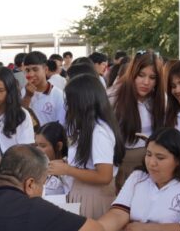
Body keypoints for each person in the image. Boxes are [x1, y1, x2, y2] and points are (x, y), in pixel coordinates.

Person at [49, 75, 124, 219]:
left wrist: (67, 170)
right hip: (83, 191)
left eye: (70, 101)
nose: (68, 107)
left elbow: (104, 176)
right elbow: (87, 164)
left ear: (83, 102)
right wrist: (66, 163)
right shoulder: (88, 127)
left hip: (93, 196)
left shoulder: (99, 132)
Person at [109, 51, 166, 189]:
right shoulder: (114, 98)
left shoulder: (162, 100)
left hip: (152, 167)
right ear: (132, 73)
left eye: (152, 77)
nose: (146, 82)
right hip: (120, 165)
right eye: (141, 75)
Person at [21, 51, 66, 127]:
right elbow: (20, 117)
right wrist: (27, 96)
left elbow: (61, 126)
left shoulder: (58, 95)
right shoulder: (24, 91)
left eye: (35, 69)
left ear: (45, 70)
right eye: (28, 70)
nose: (31, 74)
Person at [35, 122, 71, 196]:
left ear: (59, 146)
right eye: (36, 145)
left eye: (43, 146)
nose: (37, 149)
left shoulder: (70, 168)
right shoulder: (38, 166)